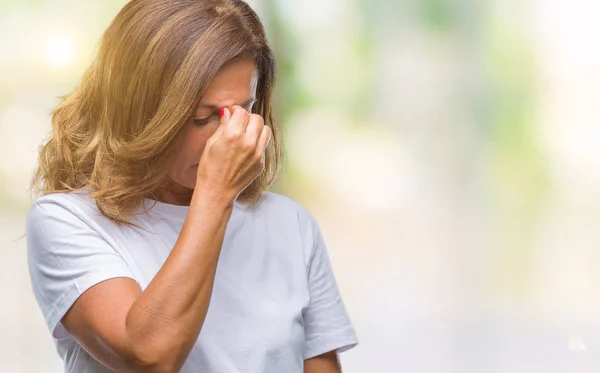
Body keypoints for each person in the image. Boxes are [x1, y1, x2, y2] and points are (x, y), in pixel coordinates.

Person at [25, 0, 358, 372]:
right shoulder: (67, 220)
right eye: (203, 117)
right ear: (138, 112)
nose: (229, 137)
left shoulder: (291, 225)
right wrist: (215, 193)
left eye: (243, 110)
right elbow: (149, 356)